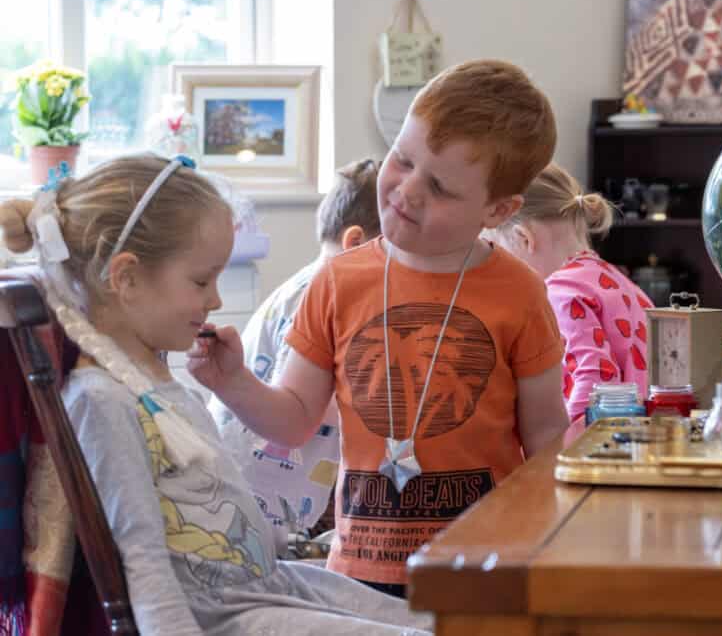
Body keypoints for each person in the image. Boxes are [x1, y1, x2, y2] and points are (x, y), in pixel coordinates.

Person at [0, 153, 430, 635]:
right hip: (223, 614)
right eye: (202, 280)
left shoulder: (156, 380)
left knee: (447, 622)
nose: (216, 300)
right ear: (126, 278)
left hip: (269, 583)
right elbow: (142, 557)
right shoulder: (101, 399)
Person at [188, 59, 569, 597]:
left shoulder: (521, 292)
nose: (407, 190)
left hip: (484, 568)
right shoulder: (337, 281)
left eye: (439, 187)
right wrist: (232, 382)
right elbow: (294, 420)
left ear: (497, 209)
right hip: (361, 574)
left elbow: (547, 436)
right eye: (403, 159)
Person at [208, 158, 381, 557]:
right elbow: (309, 401)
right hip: (257, 486)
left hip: (279, 484)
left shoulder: (317, 287)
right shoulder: (319, 296)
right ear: (356, 244)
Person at [486, 163, 652, 422]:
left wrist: (561, 449)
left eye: (504, 253)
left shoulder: (561, 292)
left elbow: (593, 378)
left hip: (597, 449)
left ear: (524, 239)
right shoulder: (619, 281)